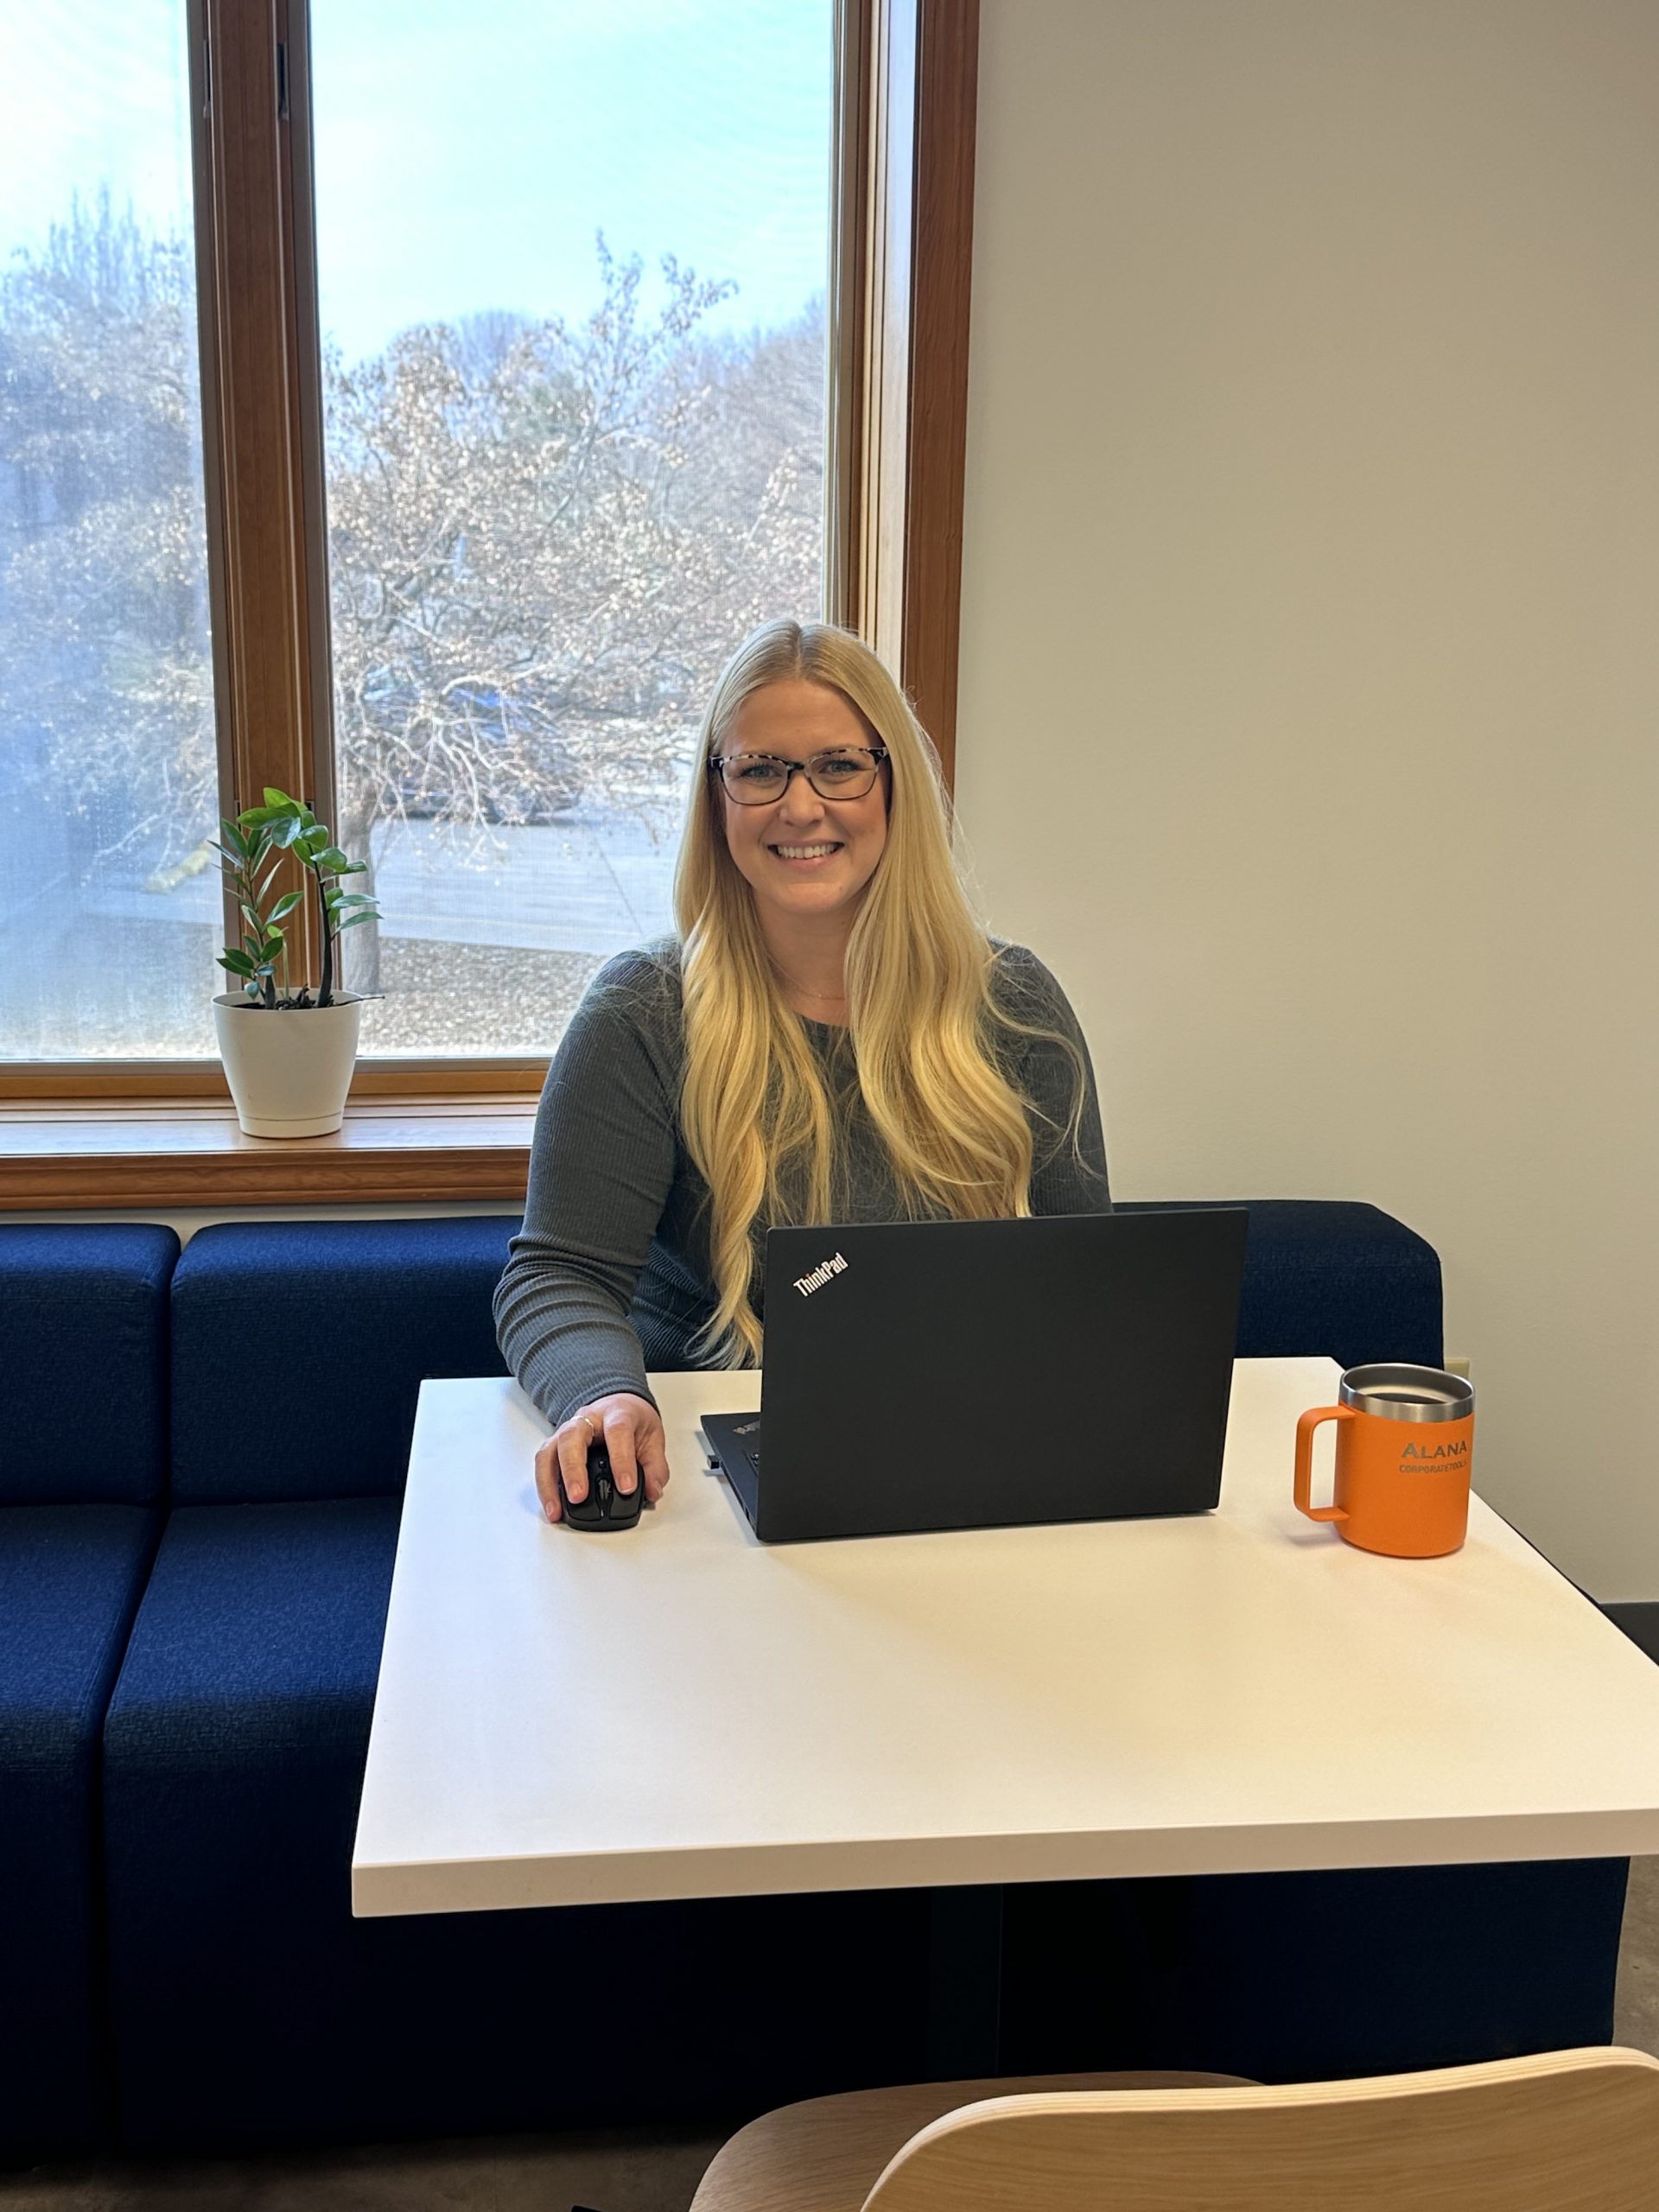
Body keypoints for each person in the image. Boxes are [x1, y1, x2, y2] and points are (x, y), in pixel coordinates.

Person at [493, 620, 1111, 1521]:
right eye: (760, 770)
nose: (800, 805)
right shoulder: (643, 1013)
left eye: (839, 765)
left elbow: (1088, 1279)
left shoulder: (1015, 1005)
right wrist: (604, 1395)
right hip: (701, 1495)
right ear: (717, 798)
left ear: (893, 785)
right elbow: (559, 1273)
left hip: (957, 1472)